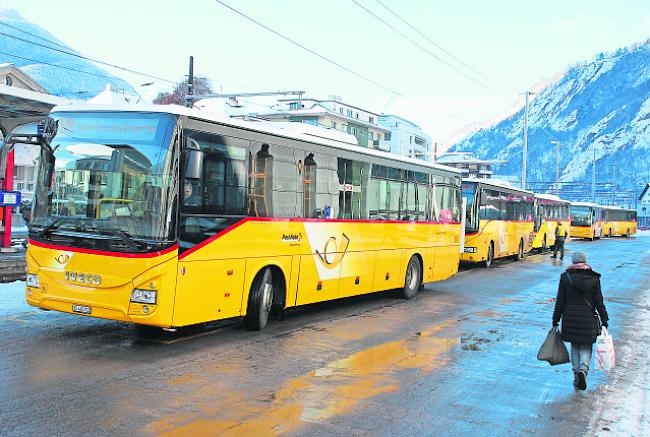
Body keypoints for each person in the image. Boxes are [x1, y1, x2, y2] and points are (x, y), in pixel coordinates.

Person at [552, 251, 609, 390]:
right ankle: (584, 369)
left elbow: (560, 301)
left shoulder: (565, 278)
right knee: (586, 346)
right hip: (588, 318)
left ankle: (577, 373)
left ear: (573, 262)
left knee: (575, 346)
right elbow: (598, 301)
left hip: (570, 318)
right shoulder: (594, 279)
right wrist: (604, 319)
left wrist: (555, 319)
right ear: (585, 262)